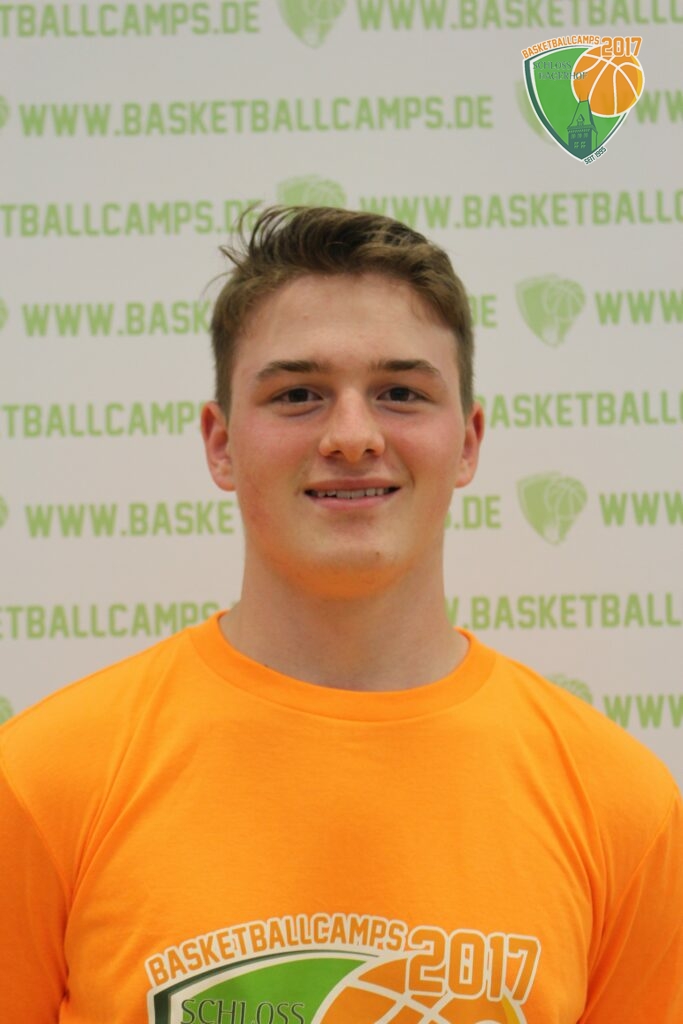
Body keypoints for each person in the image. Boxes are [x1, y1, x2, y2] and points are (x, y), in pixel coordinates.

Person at [0, 206, 681, 1024]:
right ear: (220, 443)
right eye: (297, 394)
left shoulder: (622, 806)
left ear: (467, 442)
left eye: (400, 393)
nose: (352, 437)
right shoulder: (41, 783)